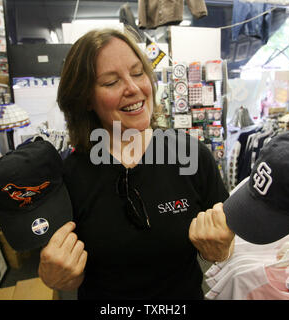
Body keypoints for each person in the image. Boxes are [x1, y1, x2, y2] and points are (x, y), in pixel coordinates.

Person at [37, 28, 234, 300]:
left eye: (138, 72)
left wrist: (221, 249)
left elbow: (226, 236)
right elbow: (66, 270)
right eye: (110, 82)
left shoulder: (191, 155)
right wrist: (55, 276)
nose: (133, 88)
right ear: (85, 98)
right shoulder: (69, 177)